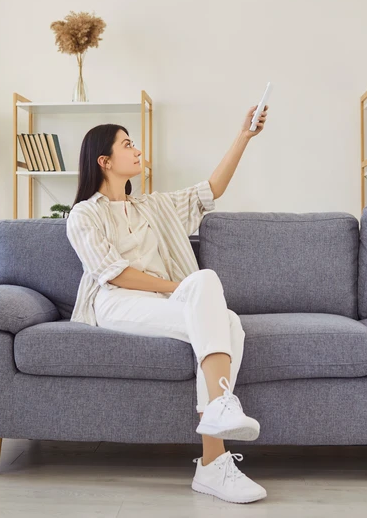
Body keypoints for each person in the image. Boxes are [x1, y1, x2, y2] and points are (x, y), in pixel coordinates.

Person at [66, 104, 269, 504]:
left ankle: (214, 456)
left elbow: (212, 188)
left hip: (160, 301)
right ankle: (217, 439)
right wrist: (182, 288)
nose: (137, 150)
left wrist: (244, 135)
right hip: (116, 303)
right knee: (205, 288)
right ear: (104, 161)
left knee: (229, 323)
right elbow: (115, 274)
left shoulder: (153, 206)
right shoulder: (83, 215)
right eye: (128, 144)